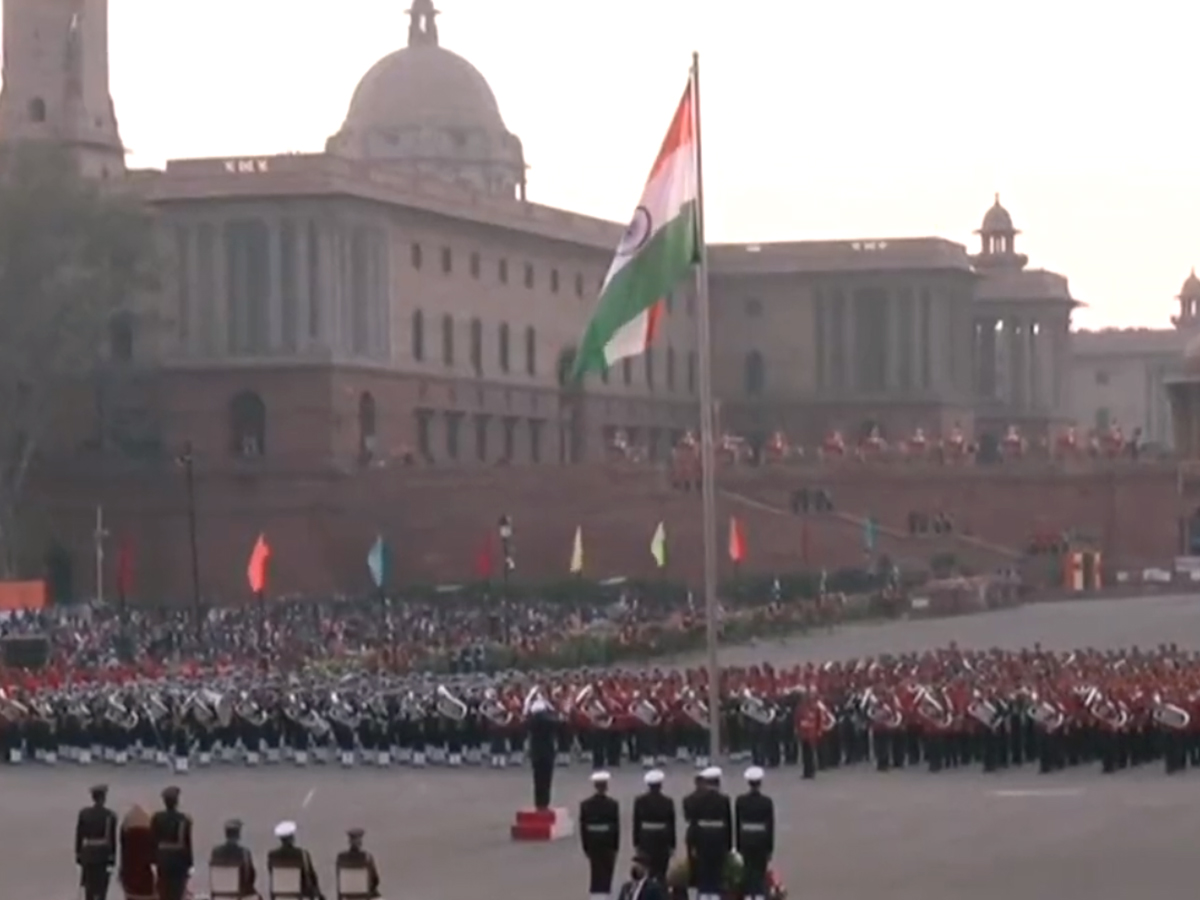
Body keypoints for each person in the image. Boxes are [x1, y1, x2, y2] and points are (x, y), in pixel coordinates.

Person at [686, 767, 731, 900]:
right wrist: (728, 845)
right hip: (719, 838)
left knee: (704, 869)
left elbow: (694, 823)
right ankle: (716, 894)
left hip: (702, 838)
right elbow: (728, 823)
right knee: (717, 869)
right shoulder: (724, 799)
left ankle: (704, 894)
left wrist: (692, 843)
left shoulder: (697, 799)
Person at [734, 767, 775, 900]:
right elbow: (770, 826)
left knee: (748, 870)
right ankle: (759, 895)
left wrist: (738, 844)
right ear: (760, 783)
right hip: (761, 840)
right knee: (760, 871)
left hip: (746, 838)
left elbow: (738, 824)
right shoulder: (766, 802)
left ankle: (748, 895)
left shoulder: (740, 801)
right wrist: (770, 848)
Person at [579, 770, 621, 900]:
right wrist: (616, 845)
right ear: (606, 786)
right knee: (608, 869)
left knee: (595, 869)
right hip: (607, 841)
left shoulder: (585, 805)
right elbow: (616, 827)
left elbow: (583, 827)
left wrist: (585, 846)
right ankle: (606, 893)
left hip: (592, 841)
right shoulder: (612, 804)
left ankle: (596, 895)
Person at [632, 769, 676, 883]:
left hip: (645, 837)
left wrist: (636, 842)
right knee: (661, 870)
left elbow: (636, 823)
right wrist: (672, 844)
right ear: (660, 785)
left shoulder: (640, 801)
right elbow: (671, 824)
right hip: (662, 838)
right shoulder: (667, 801)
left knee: (647, 868)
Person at [149, 786, 193, 900]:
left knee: (163, 892)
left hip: (162, 861)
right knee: (177, 893)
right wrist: (190, 864)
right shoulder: (184, 820)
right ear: (177, 801)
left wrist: (153, 860)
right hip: (179, 862)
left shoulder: (157, 818)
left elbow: (152, 840)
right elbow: (187, 844)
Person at [76, 784, 118, 900]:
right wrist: (112, 858)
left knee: (88, 889)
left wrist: (78, 854)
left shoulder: (84, 814)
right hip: (102, 855)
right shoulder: (110, 815)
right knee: (101, 890)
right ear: (104, 798)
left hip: (88, 854)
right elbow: (112, 840)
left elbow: (79, 836)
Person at [266, 820, 323, 900]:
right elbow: (311, 876)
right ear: (292, 838)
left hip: (279, 895)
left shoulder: (272, 856)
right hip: (300, 894)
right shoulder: (302, 854)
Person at [208, 818, 256, 898]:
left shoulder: (216, 852)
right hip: (240, 893)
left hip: (219, 892)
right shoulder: (244, 853)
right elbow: (250, 876)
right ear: (238, 835)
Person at [527, 693, 557, 809]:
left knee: (537, 780)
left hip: (535, 753)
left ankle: (538, 802)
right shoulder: (549, 721)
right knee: (547, 780)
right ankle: (545, 803)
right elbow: (560, 723)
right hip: (548, 752)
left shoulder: (530, 721)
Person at [334, 827, 381, 899]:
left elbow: (339, 881)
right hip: (363, 896)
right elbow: (375, 880)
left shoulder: (341, 857)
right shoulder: (367, 857)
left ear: (349, 841)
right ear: (361, 843)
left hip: (346, 897)